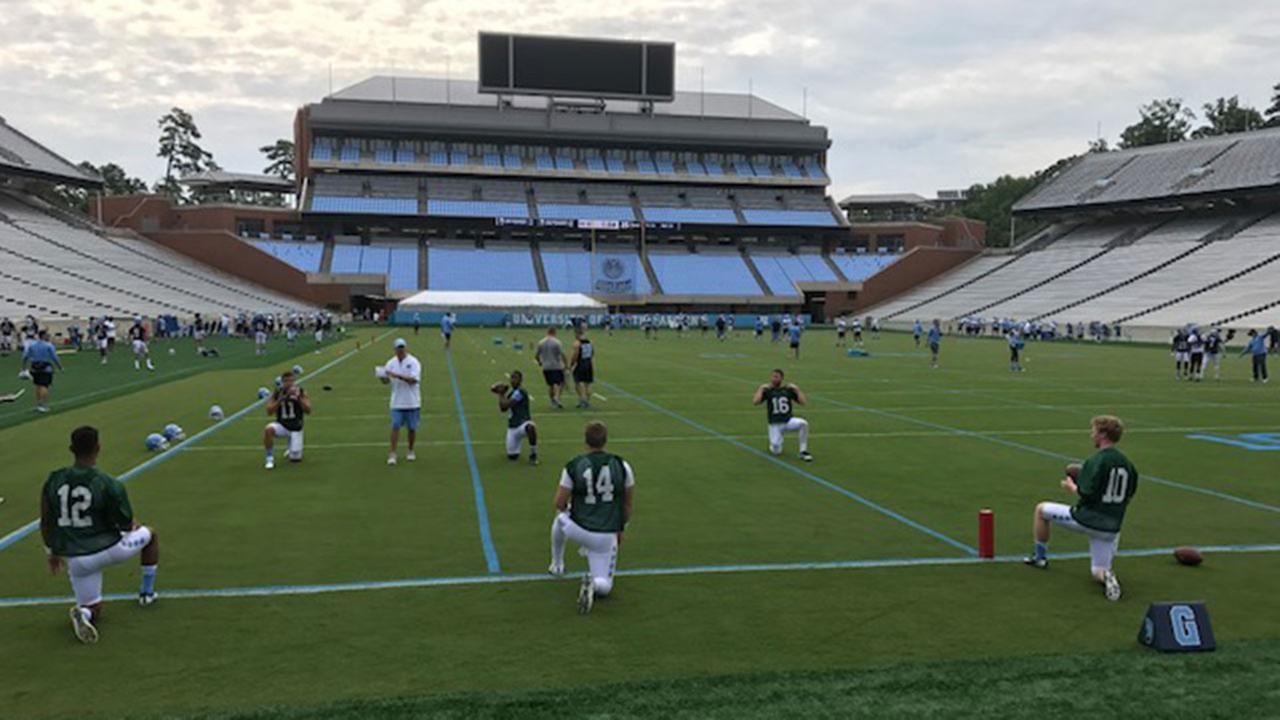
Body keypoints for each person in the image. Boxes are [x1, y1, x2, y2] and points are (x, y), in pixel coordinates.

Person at [40, 426, 161, 644]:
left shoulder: (54, 480)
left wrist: (51, 551)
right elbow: (125, 523)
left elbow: (46, 520)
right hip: (112, 549)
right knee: (151, 535)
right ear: (98, 447)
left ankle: (84, 613)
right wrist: (132, 524)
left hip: (78, 559)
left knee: (93, 607)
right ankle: (146, 593)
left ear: (71, 449)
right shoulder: (107, 483)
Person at [1024, 415, 1137, 602]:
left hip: (1088, 519)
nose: (1091, 435)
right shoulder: (1128, 464)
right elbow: (1129, 494)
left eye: (1094, 431)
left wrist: (1072, 487)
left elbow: (1086, 492)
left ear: (1102, 434)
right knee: (1097, 571)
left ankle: (1040, 557)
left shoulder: (1097, 460)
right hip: (1112, 527)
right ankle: (1108, 577)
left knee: (1041, 510)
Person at [548, 421, 635, 615]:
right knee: (605, 587)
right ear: (606, 440)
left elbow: (559, 502)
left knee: (560, 516)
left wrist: (570, 510)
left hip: (578, 529)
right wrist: (621, 528)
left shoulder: (574, 465)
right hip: (605, 536)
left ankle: (557, 564)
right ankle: (594, 584)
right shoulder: (622, 465)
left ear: (585, 441)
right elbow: (627, 505)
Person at [753, 369, 812, 461]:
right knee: (776, 450)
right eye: (773, 376)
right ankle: (774, 443)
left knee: (803, 423)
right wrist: (760, 389)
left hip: (788, 421)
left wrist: (797, 389)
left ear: (781, 378)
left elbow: (803, 402)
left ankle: (803, 451)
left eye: (776, 377)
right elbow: (755, 402)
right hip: (774, 424)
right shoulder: (768, 391)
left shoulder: (787, 390)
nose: (774, 379)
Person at [383, 338, 422, 465]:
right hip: (396, 401)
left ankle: (410, 450)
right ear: (395, 349)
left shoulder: (413, 362)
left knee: (412, 428)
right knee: (395, 426)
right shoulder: (390, 363)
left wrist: (396, 375)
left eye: (402, 347)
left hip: (412, 401)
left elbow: (414, 380)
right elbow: (387, 381)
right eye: (398, 348)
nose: (401, 350)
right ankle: (392, 453)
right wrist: (383, 377)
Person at [263, 370, 311, 470]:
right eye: (286, 381)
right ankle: (269, 458)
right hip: (282, 426)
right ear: (282, 382)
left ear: (294, 381)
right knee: (268, 429)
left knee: (295, 459)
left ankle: (291, 446)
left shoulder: (301, 391)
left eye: (291, 381)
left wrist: (298, 398)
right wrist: (281, 399)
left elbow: (308, 410)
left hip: (296, 427)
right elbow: (269, 411)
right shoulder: (277, 393)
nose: (289, 383)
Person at [496, 370, 539, 465]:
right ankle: (515, 449)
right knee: (512, 456)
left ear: (520, 380)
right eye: (512, 378)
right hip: (512, 428)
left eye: (515, 378)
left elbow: (506, 405)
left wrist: (501, 393)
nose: (512, 380)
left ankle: (533, 453)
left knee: (530, 427)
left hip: (522, 424)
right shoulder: (511, 393)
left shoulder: (521, 392)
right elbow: (503, 409)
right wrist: (501, 394)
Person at [21, 330, 62, 413]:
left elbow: (25, 357)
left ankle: (39, 404)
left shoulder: (32, 345)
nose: (49, 337)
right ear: (43, 336)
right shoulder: (49, 345)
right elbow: (54, 357)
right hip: (45, 367)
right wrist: (60, 367)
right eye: (47, 335)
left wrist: (24, 368)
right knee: (44, 386)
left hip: (34, 367)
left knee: (38, 385)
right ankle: (43, 405)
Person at [535, 327, 566, 409]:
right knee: (559, 383)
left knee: (551, 385)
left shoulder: (541, 342)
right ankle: (557, 397)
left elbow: (537, 355)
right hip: (557, 365)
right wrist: (566, 364)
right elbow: (562, 354)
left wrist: (540, 362)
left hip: (546, 366)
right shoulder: (557, 342)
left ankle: (552, 401)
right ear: (554, 332)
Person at [569, 332, 596, 409]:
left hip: (580, 364)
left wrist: (572, 363)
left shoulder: (577, 343)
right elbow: (592, 353)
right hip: (588, 363)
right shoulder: (590, 342)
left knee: (578, 382)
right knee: (588, 384)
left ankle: (582, 400)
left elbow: (575, 355)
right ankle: (587, 401)